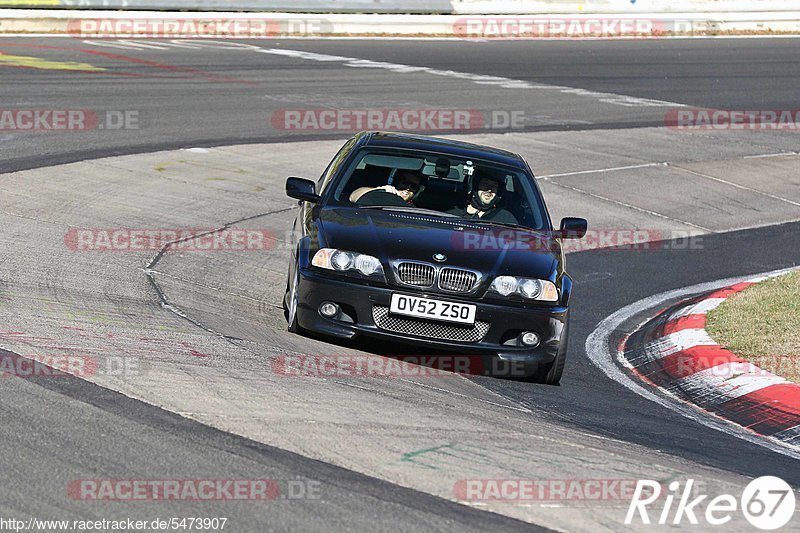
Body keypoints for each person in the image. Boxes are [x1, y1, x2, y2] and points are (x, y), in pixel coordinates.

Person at [449, 173, 518, 224]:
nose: (489, 189)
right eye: (485, 184)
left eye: (494, 186)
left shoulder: (506, 219)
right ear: (475, 186)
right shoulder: (454, 213)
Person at [350, 169, 426, 206]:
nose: (408, 188)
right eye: (405, 183)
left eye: (414, 186)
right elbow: (353, 196)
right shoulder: (377, 196)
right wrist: (379, 190)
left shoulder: (414, 210)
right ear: (395, 182)